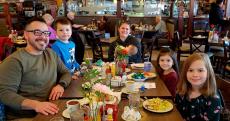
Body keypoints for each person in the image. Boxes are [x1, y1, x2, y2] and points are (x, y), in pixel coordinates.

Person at [0, 17, 71, 120]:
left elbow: (66, 72)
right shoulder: (14, 61)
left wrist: (61, 85)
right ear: (26, 35)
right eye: (37, 32)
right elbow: (4, 94)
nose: (43, 37)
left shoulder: (51, 54)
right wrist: (36, 105)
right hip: (27, 116)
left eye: (46, 33)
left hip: (52, 107)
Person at [175, 53, 221, 121]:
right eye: (190, 70)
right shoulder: (181, 93)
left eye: (200, 70)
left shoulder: (213, 99)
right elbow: (177, 113)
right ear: (185, 73)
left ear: (208, 73)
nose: (195, 75)